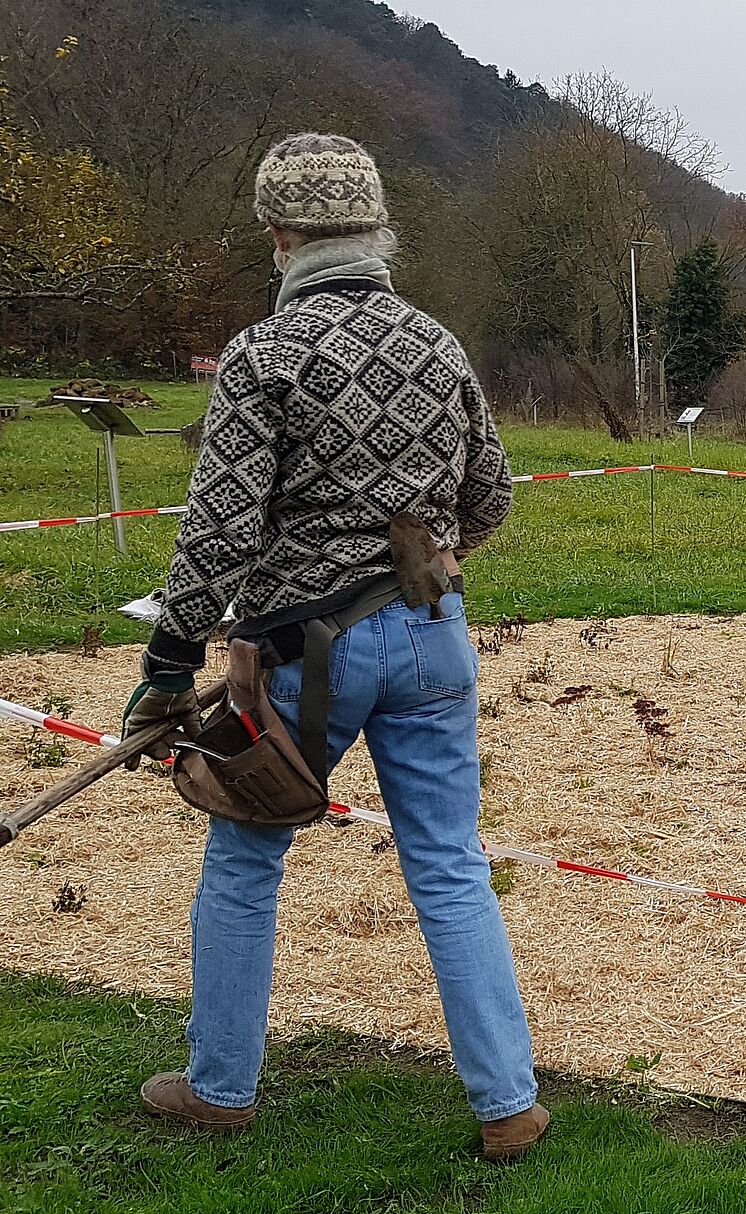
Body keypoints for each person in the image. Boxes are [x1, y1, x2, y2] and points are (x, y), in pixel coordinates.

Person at [119, 134, 548, 1159]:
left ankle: (221, 1088)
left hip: (309, 661)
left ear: (279, 236)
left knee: (244, 859)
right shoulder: (438, 346)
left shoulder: (266, 356)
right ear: (375, 229)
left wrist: (167, 669)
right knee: (450, 866)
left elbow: (220, 532)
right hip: (435, 638)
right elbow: (488, 495)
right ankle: (509, 1107)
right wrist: (422, 568)